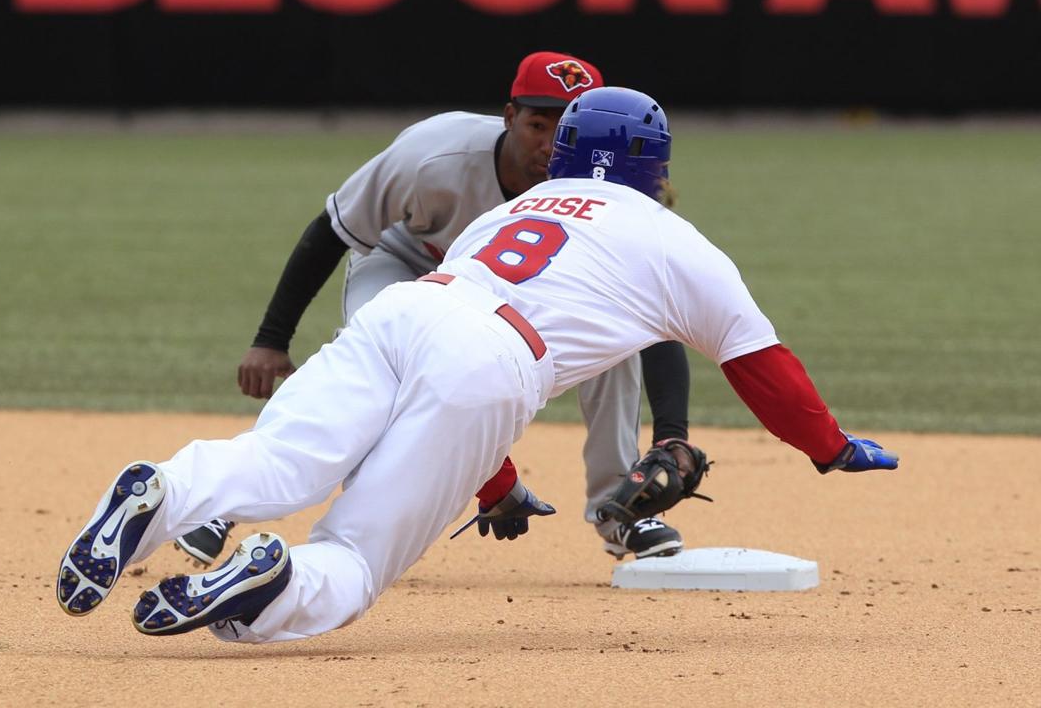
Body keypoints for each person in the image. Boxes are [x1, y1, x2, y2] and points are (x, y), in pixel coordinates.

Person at [56, 86, 899, 641]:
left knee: (274, 459)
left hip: (409, 309)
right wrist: (829, 446)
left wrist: (493, 477)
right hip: (493, 359)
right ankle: (271, 579)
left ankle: (163, 490)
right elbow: (764, 368)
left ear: (564, 149)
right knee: (354, 558)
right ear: (660, 166)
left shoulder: (526, 201)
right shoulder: (680, 242)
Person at [174, 52, 693, 568]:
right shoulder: (433, 153)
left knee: (617, 350)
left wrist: (672, 434)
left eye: (566, 127)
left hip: (517, 292)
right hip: (406, 263)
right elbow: (330, 232)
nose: (549, 142)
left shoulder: (606, 187)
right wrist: (271, 339)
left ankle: (620, 511)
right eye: (538, 123)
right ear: (509, 116)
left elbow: (651, 311)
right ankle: (229, 498)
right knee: (368, 371)